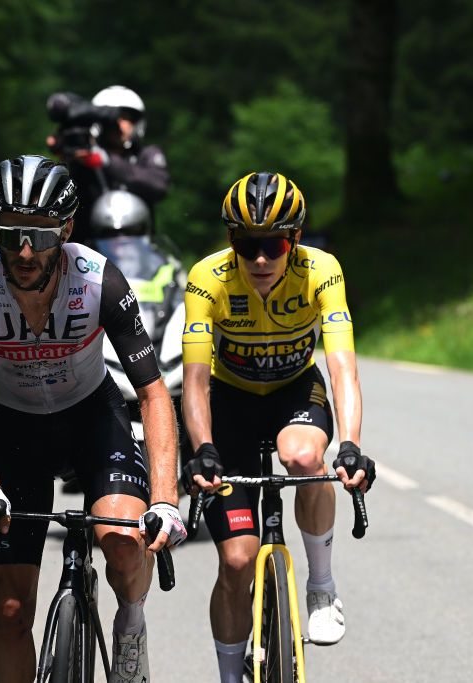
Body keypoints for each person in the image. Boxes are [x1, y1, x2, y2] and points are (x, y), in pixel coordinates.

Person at [0, 154, 185, 683]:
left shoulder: (100, 281)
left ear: (67, 229)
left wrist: (164, 496)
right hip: (16, 430)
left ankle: (131, 630)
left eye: (42, 237)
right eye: (11, 235)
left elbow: (154, 393)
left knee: (121, 539)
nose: (25, 252)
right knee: (10, 608)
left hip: (93, 420)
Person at [180, 172, 376, 682]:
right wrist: (202, 447)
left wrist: (351, 445)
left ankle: (322, 585)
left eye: (276, 244)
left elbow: (342, 369)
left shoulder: (322, 271)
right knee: (238, 562)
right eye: (248, 245)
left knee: (307, 458)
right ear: (231, 242)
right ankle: (229, 675)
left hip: (294, 392)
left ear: (296, 238)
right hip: (230, 403)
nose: (262, 259)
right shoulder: (208, 277)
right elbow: (196, 381)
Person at [49, 85, 170, 244]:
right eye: (109, 118)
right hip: (90, 248)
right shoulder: (84, 156)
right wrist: (68, 160)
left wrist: (104, 160)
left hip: (140, 248)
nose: (118, 124)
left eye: (125, 117)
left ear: (137, 123)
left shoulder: (146, 154)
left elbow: (158, 185)